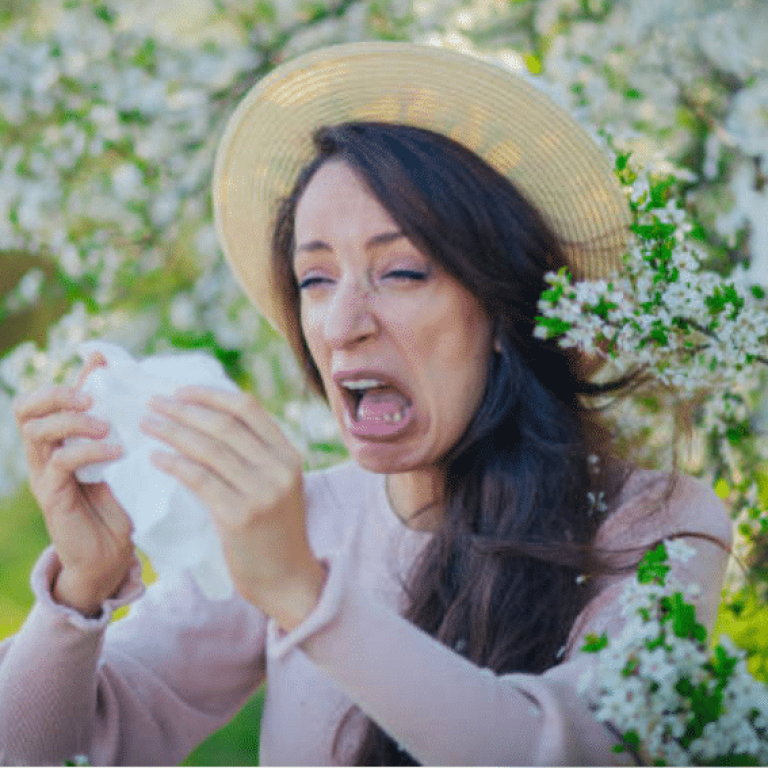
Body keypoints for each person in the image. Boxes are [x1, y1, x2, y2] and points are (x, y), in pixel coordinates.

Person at [0, 42, 731, 766]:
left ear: (507, 309)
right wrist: (81, 586)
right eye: (315, 280)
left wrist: (305, 595)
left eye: (403, 271)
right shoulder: (300, 522)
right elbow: (49, 752)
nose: (342, 325)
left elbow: (569, 754)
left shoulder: (658, 527)